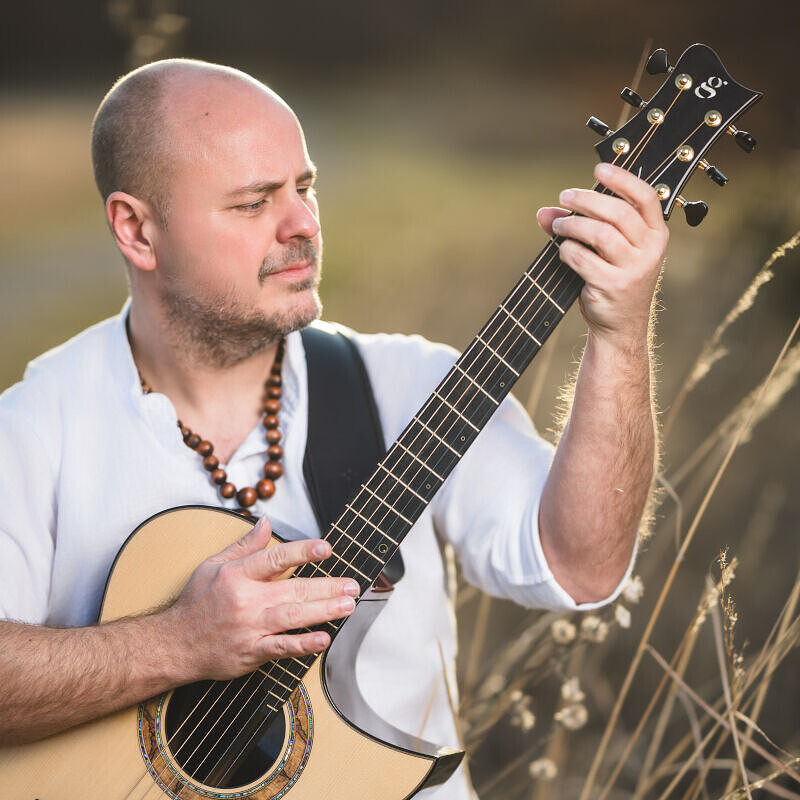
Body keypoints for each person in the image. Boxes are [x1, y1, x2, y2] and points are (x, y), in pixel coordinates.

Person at [0, 59, 667, 797]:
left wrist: (620, 333)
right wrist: (177, 644)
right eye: (254, 203)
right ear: (137, 229)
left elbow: (581, 568)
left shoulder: (412, 388)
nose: (305, 226)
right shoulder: (36, 429)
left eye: (305, 187)